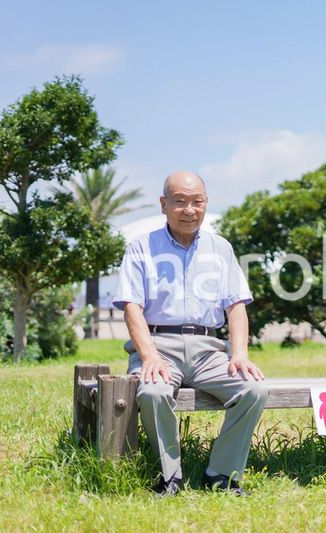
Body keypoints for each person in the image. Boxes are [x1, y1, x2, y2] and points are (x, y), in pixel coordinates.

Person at [113, 171, 267, 497]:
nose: (189, 210)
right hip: (158, 346)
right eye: (180, 202)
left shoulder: (220, 248)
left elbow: (236, 305)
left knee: (253, 389)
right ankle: (171, 478)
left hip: (209, 350)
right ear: (164, 204)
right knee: (153, 393)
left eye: (197, 202)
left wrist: (239, 354)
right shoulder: (142, 247)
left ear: (206, 203)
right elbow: (131, 307)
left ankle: (222, 475)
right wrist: (150, 356)